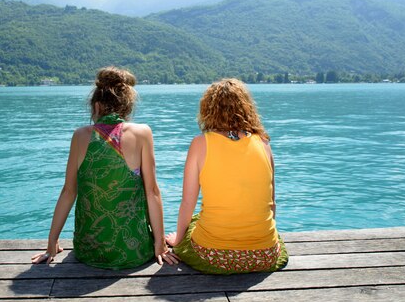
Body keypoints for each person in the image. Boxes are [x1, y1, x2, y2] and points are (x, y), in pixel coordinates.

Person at [32, 67, 178, 269]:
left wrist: (51, 245)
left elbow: (68, 192)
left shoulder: (80, 135)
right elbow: (152, 192)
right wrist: (160, 245)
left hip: (89, 251)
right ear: (127, 106)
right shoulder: (142, 133)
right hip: (133, 252)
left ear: (97, 106)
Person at [165, 78, 288, 274]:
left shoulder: (200, 144)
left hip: (217, 256)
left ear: (208, 109)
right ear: (246, 107)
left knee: (195, 221)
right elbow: (271, 204)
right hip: (264, 254)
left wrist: (178, 242)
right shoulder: (263, 143)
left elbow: (187, 204)